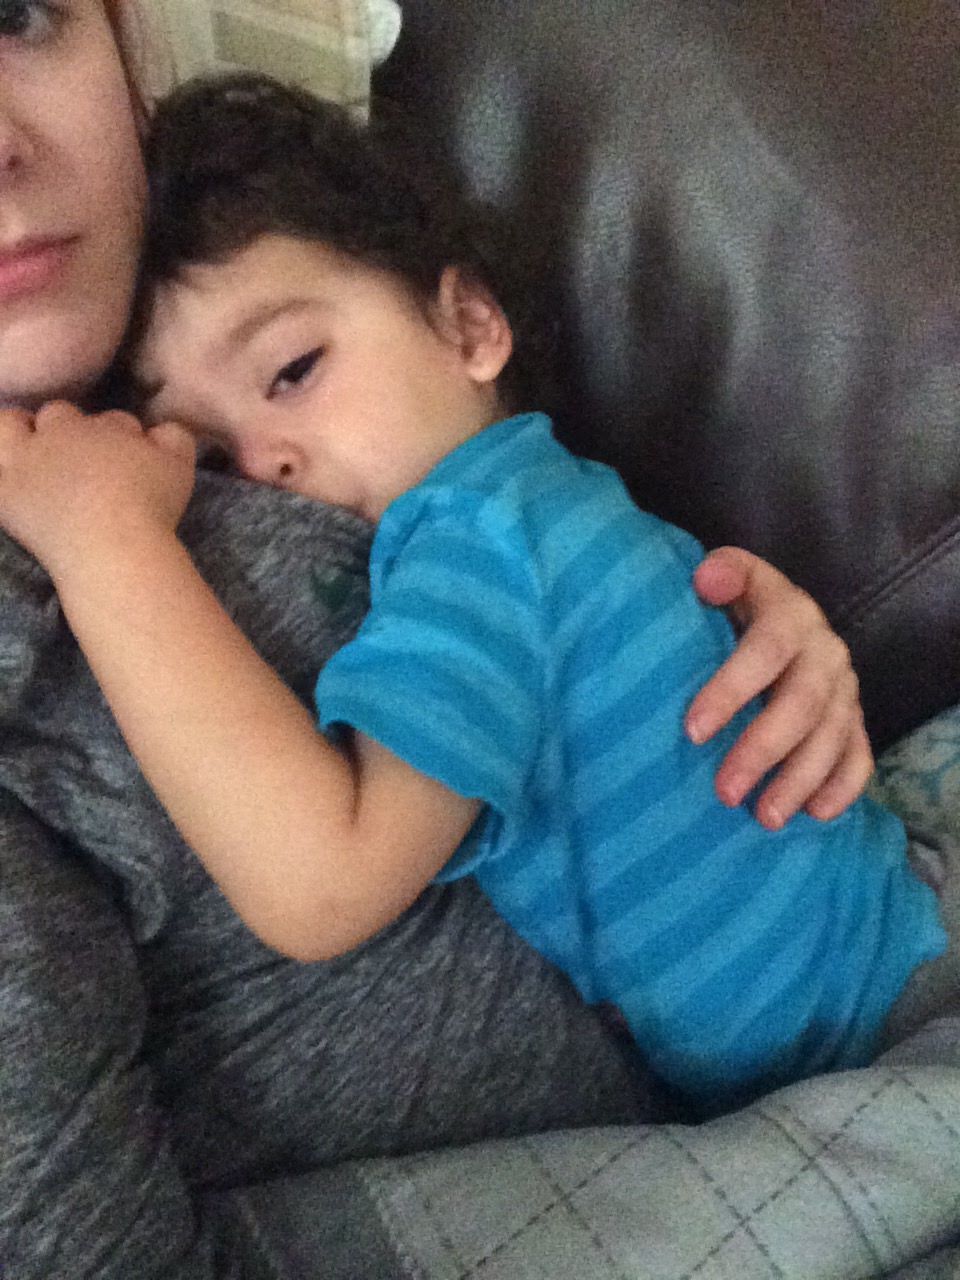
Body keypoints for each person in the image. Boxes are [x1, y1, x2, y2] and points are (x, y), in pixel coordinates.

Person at [0, 5, 883, 1274]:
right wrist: (105, 539)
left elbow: (356, 849)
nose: (264, 469)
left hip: (841, 1030)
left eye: (18, 12)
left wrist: (751, 622)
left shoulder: (432, 499)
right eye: (204, 450)